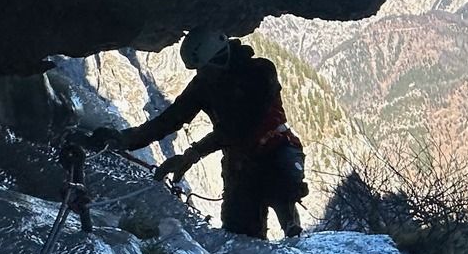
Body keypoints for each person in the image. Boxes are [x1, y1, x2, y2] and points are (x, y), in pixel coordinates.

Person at [90, 29, 307, 239]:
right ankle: (284, 230)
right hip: (241, 162)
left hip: (274, 150)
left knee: (282, 188)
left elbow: (241, 125)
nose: (201, 74)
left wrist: (193, 154)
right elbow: (170, 119)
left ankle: (292, 228)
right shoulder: (205, 83)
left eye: (204, 68)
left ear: (217, 59)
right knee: (239, 230)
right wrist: (125, 139)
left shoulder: (259, 72)